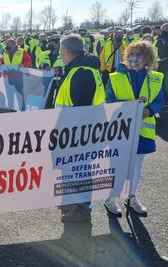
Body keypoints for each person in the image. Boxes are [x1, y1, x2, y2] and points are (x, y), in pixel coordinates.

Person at [104, 41, 164, 216]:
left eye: (139, 55)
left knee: (137, 166)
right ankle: (111, 198)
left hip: (143, 131)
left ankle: (131, 196)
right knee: (117, 165)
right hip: (120, 129)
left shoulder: (156, 77)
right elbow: (109, 100)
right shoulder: (116, 77)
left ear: (148, 59)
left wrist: (150, 110)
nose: (134, 58)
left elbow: (159, 100)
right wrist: (128, 108)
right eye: (132, 54)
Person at [55, 35, 105, 221]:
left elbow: (81, 111)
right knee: (74, 170)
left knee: (79, 170)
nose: (60, 54)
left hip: (78, 134)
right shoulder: (81, 69)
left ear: (66, 51)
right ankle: (73, 203)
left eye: (61, 51)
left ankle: (81, 208)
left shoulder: (81, 72)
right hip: (76, 131)